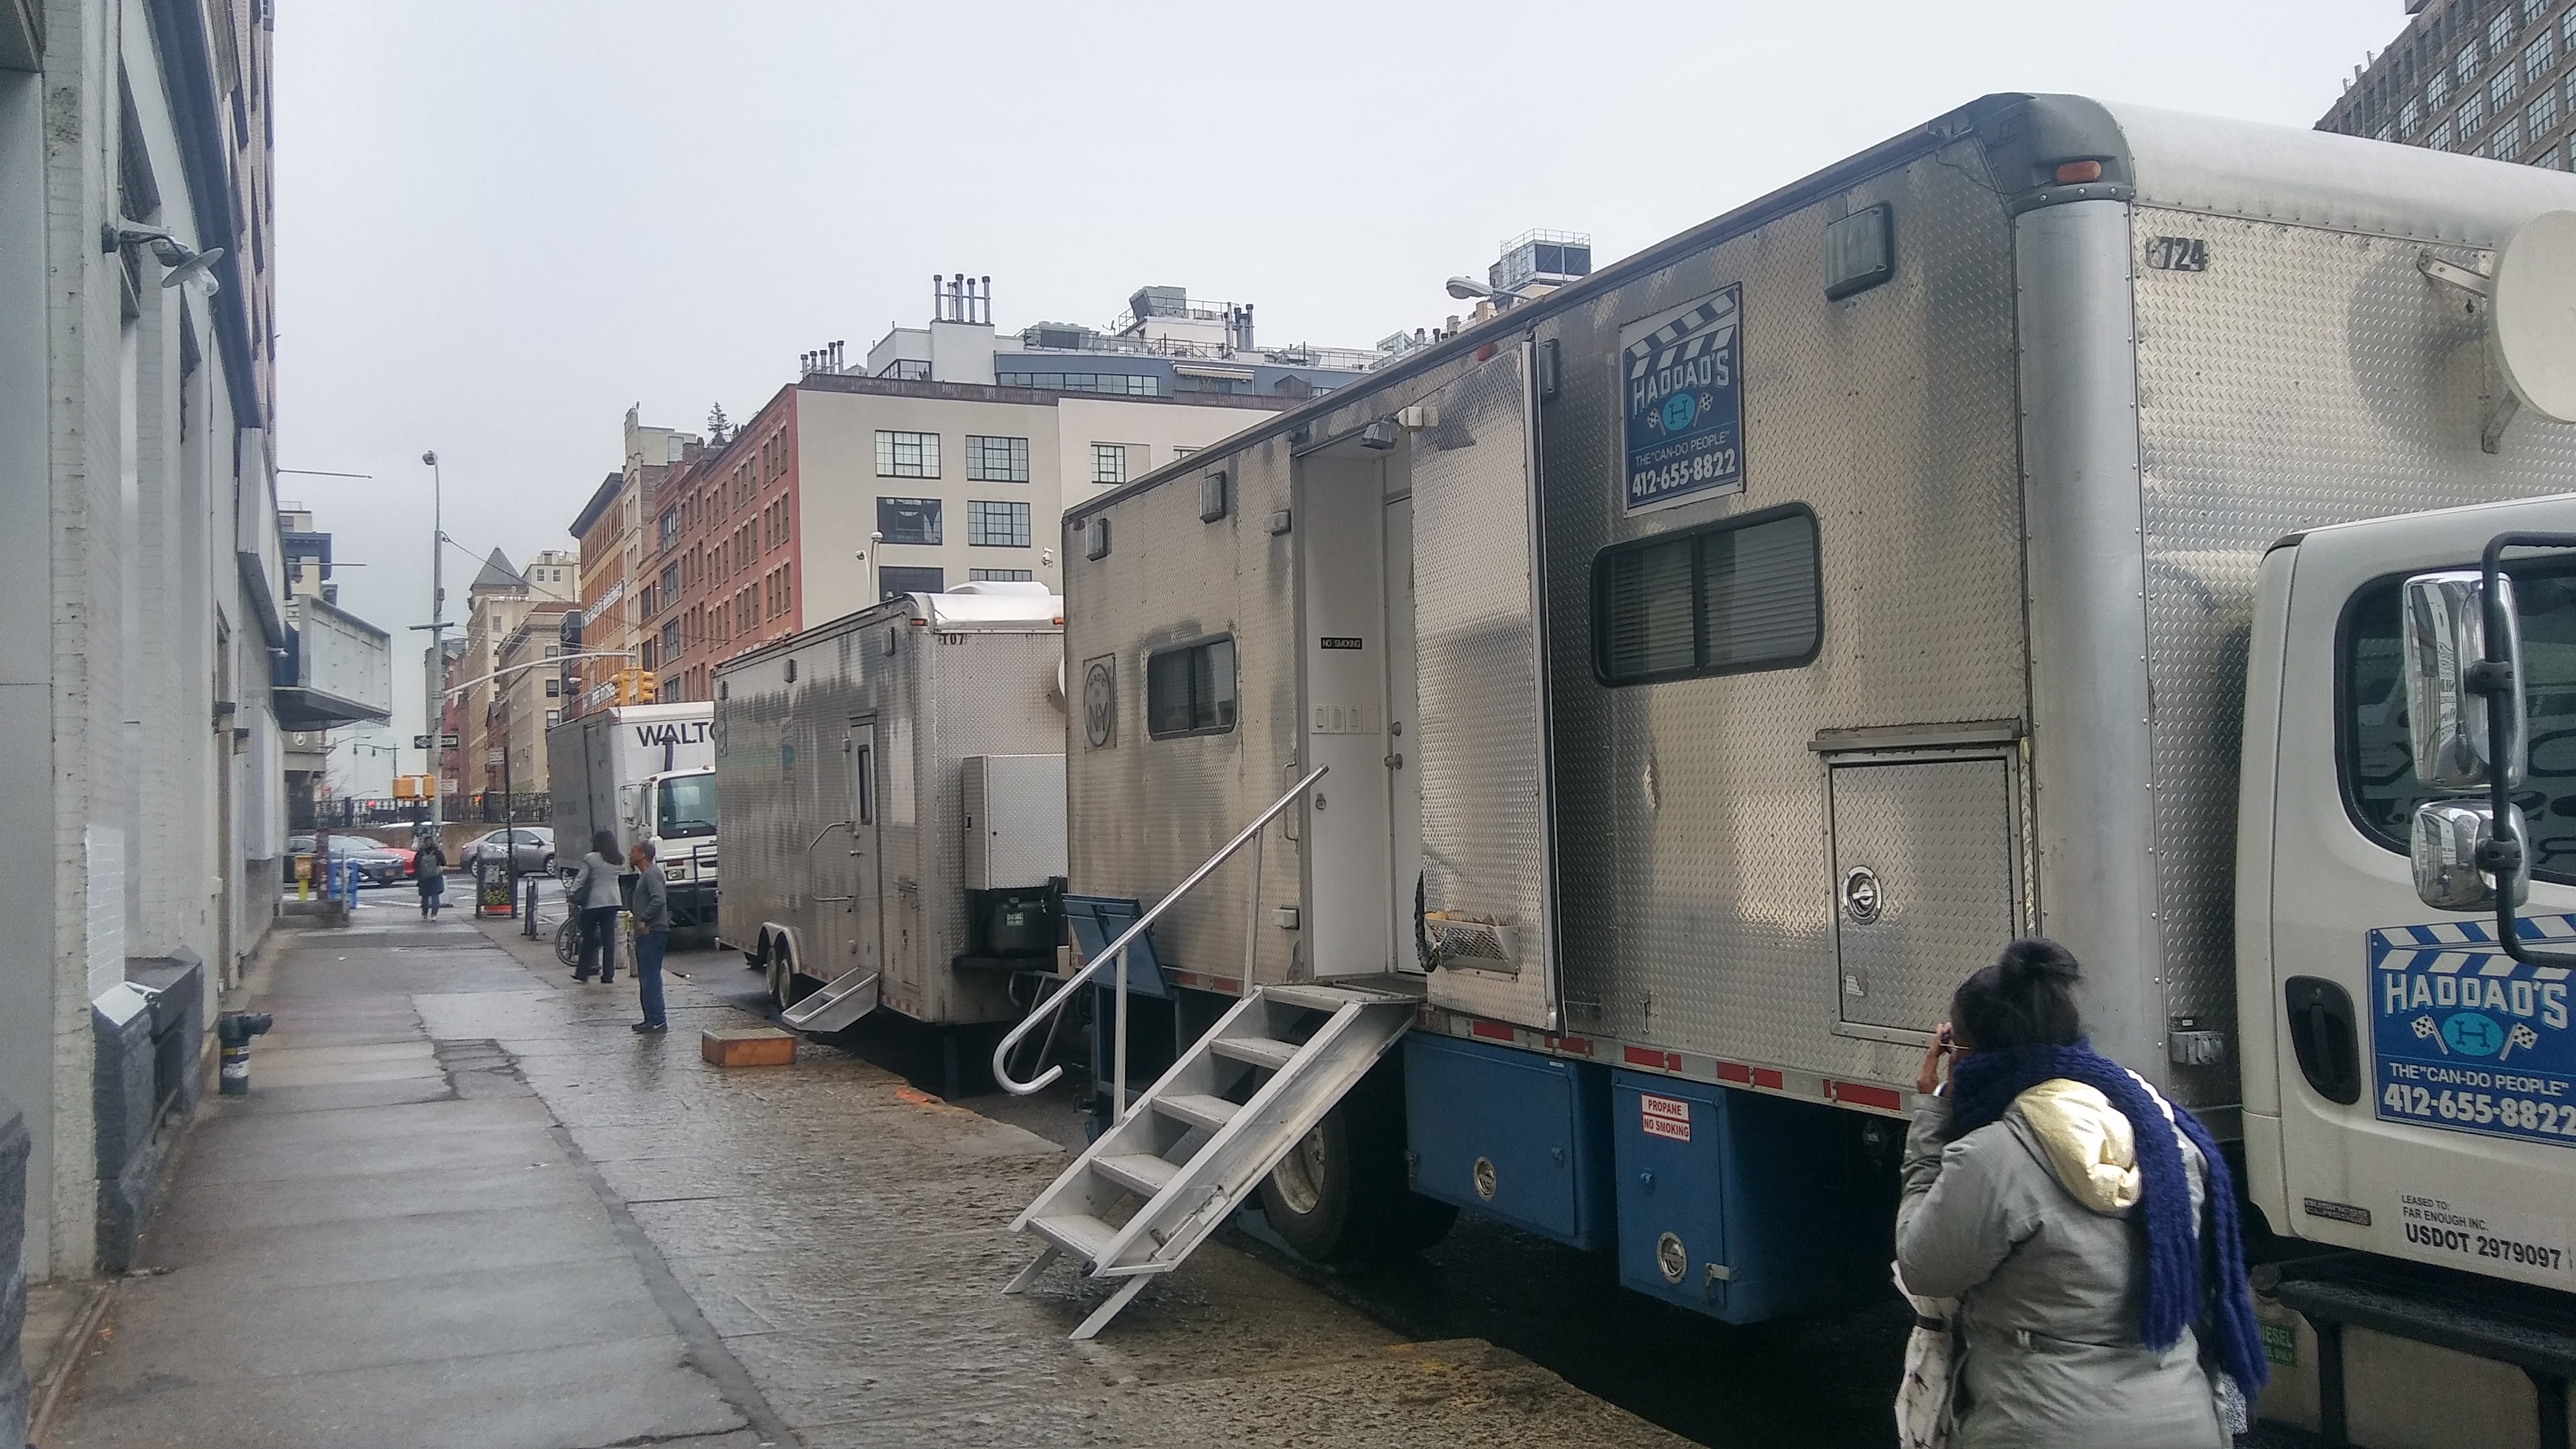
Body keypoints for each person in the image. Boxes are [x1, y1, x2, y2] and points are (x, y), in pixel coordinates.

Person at [1895, 939, 2266, 1449]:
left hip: (2044, 1426)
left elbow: (1923, 1265)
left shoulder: (1993, 1158)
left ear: (1968, 1057)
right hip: (2184, 1421)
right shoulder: (2168, 1136)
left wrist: (1932, 1118)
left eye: (1953, 1045)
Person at [568, 830, 625, 984]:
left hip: (594, 903)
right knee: (609, 941)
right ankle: (608, 976)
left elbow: (581, 879)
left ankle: (582, 972)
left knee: (588, 938)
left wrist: (572, 893)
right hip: (613, 902)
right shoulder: (618, 860)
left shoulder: (591, 858)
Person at [627, 840, 671, 1033]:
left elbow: (659, 899)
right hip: (649, 931)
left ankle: (658, 1020)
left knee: (650, 977)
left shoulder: (651, 875)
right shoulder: (646, 875)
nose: (630, 853)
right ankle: (651, 1018)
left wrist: (644, 918)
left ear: (643, 855)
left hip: (653, 931)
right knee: (647, 976)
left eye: (634, 851)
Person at [414, 835, 448, 918]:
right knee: (435, 895)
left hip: (424, 877)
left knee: (425, 896)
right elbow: (443, 862)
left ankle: (425, 913)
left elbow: (415, 864)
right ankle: (434, 914)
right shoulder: (437, 851)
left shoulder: (421, 852)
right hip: (435, 876)